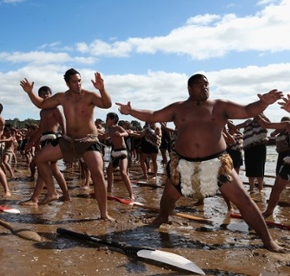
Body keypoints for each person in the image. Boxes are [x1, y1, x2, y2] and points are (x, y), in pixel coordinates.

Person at [116, 73, 283, 252]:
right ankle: (162, 218)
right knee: (168, 198)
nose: (204, 87)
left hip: (217, 162)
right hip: (182, 163)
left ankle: (267, 240)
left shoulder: (220, 106)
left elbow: (248, 110)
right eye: (199, 84)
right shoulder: (178, 108)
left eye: (206, 84)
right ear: (189, 88)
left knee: (244, 200)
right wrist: (131, 111)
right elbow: (154, 115)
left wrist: (264, 102)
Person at [20, 68, 113, 221]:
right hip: (69, 140)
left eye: (79, 81)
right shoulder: (62, 97)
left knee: (97, 174)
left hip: (88, 140)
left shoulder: (89, 96)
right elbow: (42, 104)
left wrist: (102, 89)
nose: (78, 84)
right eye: (74, 82)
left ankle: (104, 213)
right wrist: (30, 92)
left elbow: (106, 104)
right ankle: (52, 192)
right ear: (67, 83)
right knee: (40, 158)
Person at [20, 85, 70, 205]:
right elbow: (41, 128)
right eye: (42, 94)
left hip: (52, 138)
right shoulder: (42, 111)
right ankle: (66, 196)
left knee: (43, 168)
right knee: (54, 170)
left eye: (47, 93)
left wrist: (65, 136)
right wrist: (31, 143)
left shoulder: (55, 109)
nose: (45, 95)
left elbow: (63, 122)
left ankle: (35, 198)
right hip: (44, 138)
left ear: (51, 95)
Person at [255, 115, 290, 218]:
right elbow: (267, 125)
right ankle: (268, 212)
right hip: (287, 163)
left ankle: (268, 212)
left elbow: (266, 124)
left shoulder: (287, 125)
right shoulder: (287, 127)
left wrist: (255, 113)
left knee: (276, 189)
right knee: (276, 189)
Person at [101, 112, 134, 200]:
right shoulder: (110, 130)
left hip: (122, 152)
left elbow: (126, 133)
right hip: (114, 153)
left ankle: (131, 194)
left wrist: (120, 134)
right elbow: (104, 136)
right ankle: (109, 190)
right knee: (109, 171)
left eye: (107, 119)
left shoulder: (118, 128)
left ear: (113, 120)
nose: (106, 120)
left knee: (123, 172)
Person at [236, 115, 269, 193]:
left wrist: (260, 117)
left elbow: (268, 123)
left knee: (259, 167)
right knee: (250, 167)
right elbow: (236, 126)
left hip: (260, 146)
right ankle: (251, 188)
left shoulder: (263, 120)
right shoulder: (248, 122)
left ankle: (261, 188)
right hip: (248, 147)